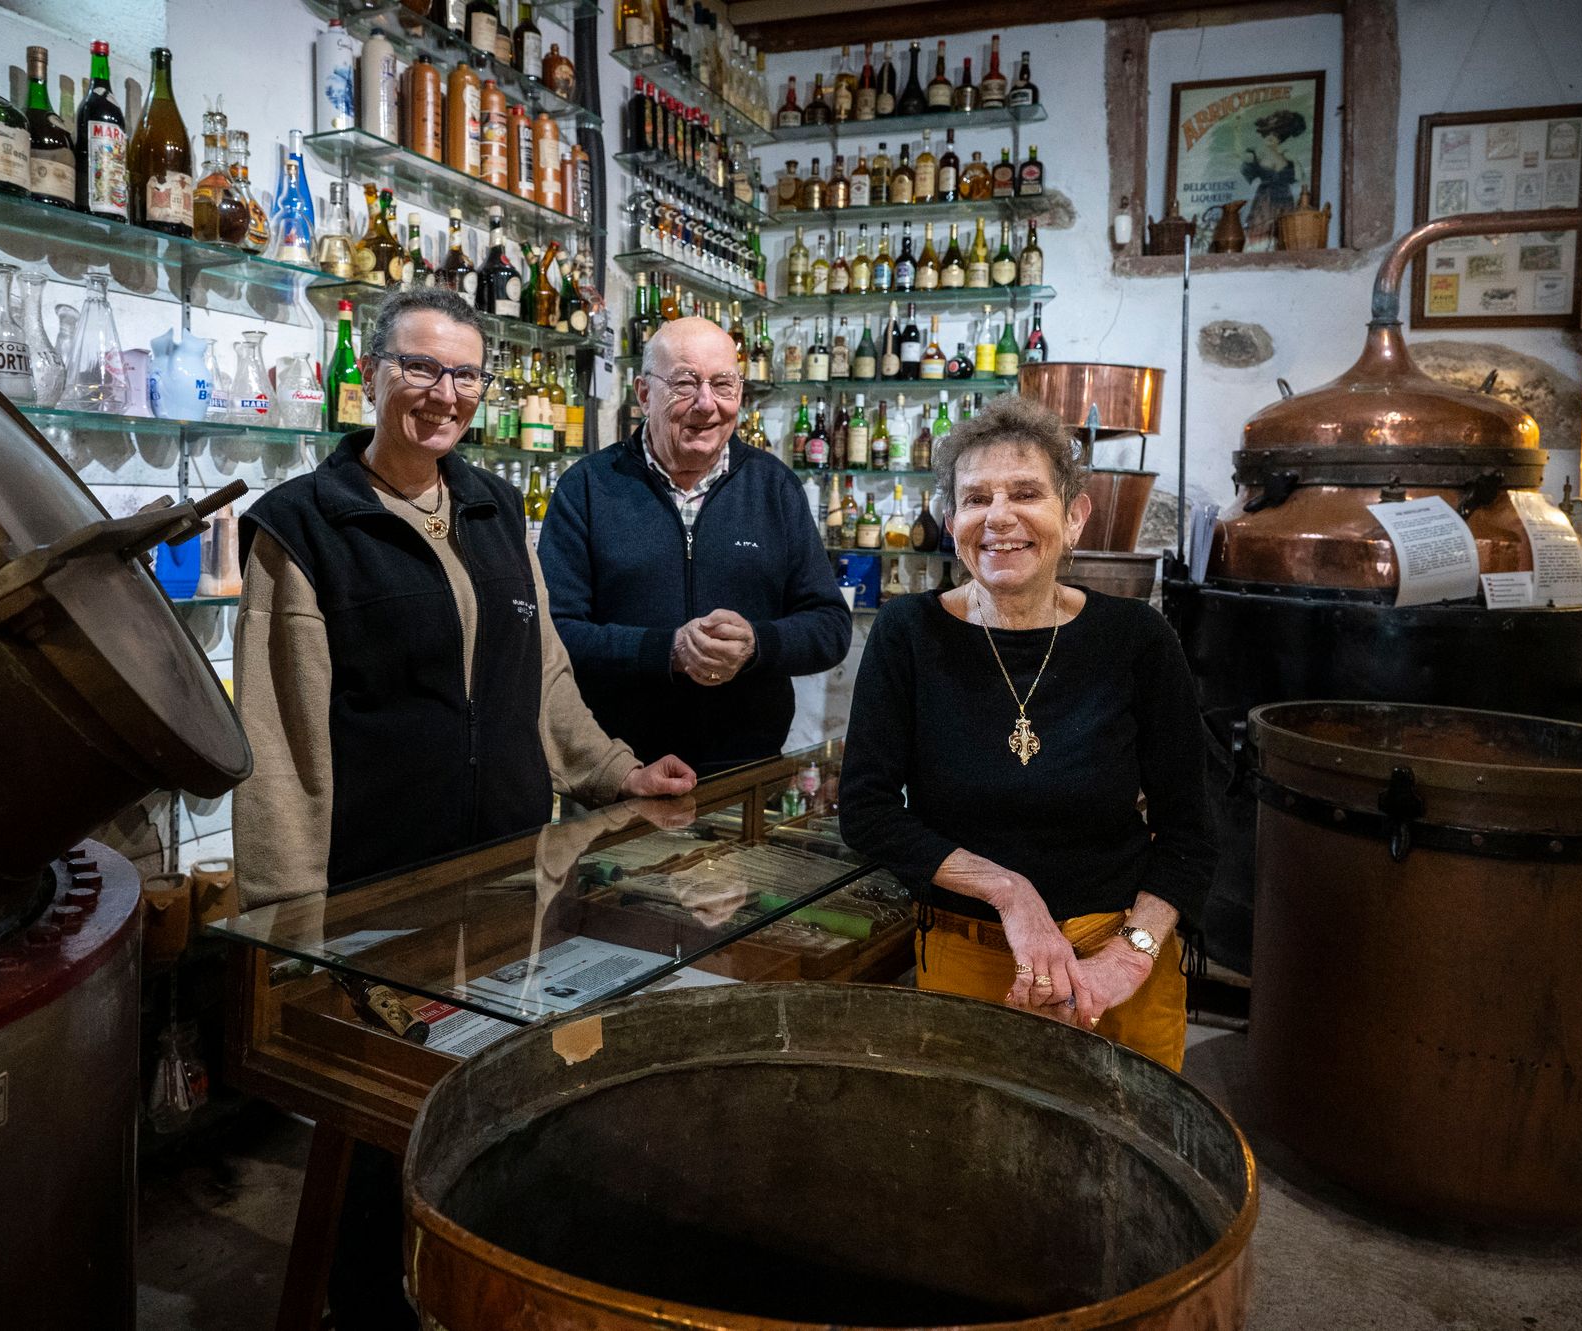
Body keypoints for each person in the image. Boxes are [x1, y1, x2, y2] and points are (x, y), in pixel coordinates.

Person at [231, 288, 695, 1327]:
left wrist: (619, 770)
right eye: (421, 368)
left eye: (464, 375)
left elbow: (543, 677)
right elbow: (281, 748)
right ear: (373, 373)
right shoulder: (301, 527)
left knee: (485, 1106)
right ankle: (367, 1306)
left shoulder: (491, 505)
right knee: (376, 1128)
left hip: (503, 878)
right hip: (376, 895)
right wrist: (286, 926)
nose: (443, 395)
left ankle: (473, 1290)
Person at [838, 393, 1214, 1070]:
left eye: (1026, 493)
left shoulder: (1136, 638)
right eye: (976, 497)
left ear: (1073, 517)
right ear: (951, 521)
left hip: (1122, 956)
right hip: (969, 956)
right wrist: (1010, 891)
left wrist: (1128, 956)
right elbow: (865, 812)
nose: (1000, 517)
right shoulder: (909, 634)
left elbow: (1190, 832)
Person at [537, 316, 853, 774]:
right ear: (644, 393)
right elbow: (552, 633)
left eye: (723, 384)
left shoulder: (774, 487)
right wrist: (667, 651)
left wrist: (756, 645)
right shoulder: (587, 487)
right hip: (617, 773)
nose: (706, 404)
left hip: (747, 770)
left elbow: (829, 629)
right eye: (685, 383)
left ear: (740, 394)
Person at [1241, 108, 1307, 244]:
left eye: (1275, 135)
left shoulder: (1286, 157)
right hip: (1265, 197)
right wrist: (1236, 130)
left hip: (1284, 197)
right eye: (1268, 134)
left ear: (1280, 139)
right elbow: (1240, 156)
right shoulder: (1257, 154)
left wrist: (1294, 160)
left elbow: (1300, 178)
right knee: (1260, 227)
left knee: (1283, 231)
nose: (1270, 137)